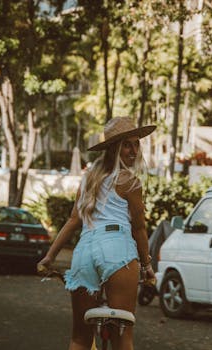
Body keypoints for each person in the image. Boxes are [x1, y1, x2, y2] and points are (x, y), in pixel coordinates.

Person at [37, 116, 156, 350]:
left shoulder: (88, 179)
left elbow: (73, 221)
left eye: (136, 144)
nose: (133, 150)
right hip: (117, 250)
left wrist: (50, 257)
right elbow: (139, 229)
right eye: (127, 145)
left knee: (79, 338)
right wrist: (147, 266)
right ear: (114, 149)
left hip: (84, 252)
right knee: (123, 337)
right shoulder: (130, 182)